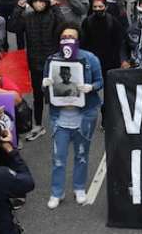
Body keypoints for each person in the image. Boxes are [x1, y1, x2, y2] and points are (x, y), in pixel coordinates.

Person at [41, 24, 103, 209]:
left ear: (78, 40)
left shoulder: (90, 59)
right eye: (64, 36)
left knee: (82, 155)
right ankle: (56, 193)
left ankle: (79, 188)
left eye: (71, 36)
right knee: (58, 158)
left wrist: (91, 87)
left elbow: (100, 81)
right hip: (60, 116)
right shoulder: (52, 60)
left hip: (84, 115)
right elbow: (45, 85)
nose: (67, 39)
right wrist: (45, 84)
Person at [8, 0, 64, 142]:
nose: (39, 4)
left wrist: (56, 8)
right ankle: (38, 125)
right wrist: (18, 8)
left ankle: (60, 124)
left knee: (56, 94)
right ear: (31, 3)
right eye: (36, 1)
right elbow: (12, 27)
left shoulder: (53, 15)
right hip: (34, 62)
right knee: (37, 96)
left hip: (52, 61)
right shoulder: (27, 17)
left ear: (47, 2)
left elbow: (63, 27)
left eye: (42, 1)